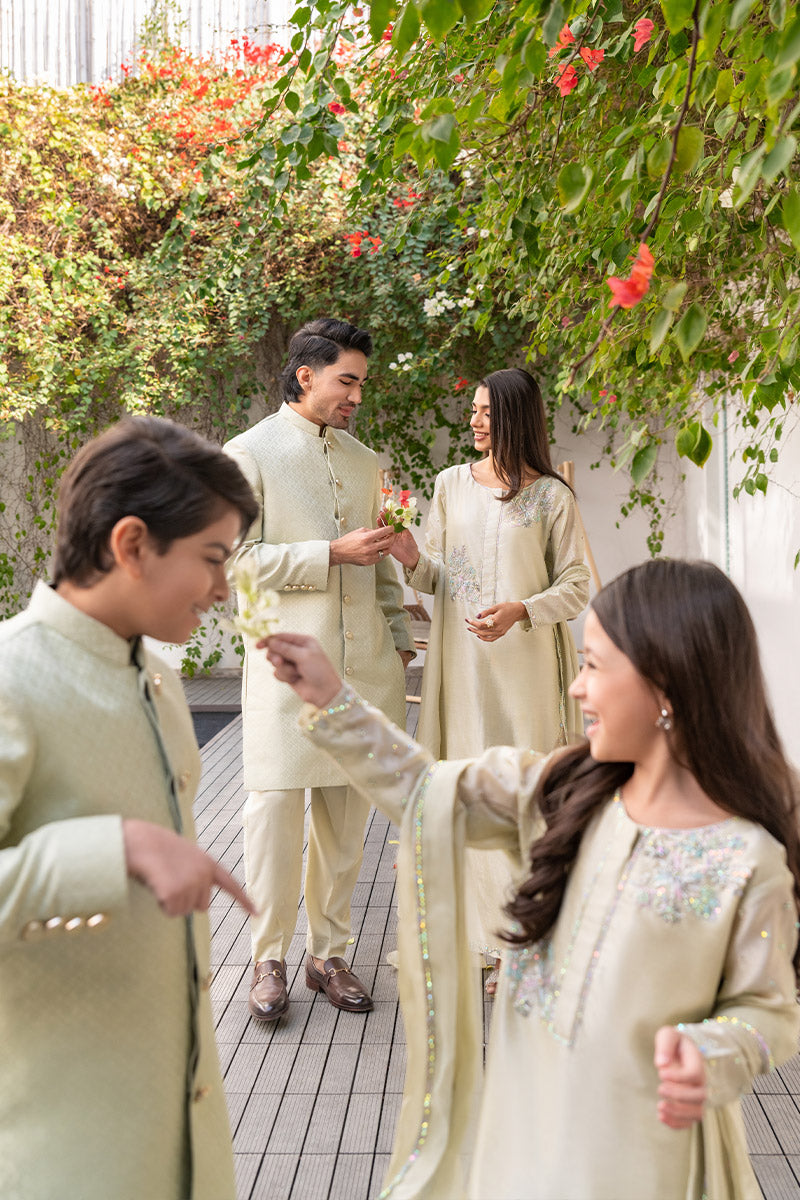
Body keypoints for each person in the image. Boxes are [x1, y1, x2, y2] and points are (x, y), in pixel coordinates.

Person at [264, 559, 800, 1200]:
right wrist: (334, 700)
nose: (576, 689)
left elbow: (768, 1011)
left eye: (594, 666)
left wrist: (716, 1053)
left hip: (645, 1156)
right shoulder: (559, 790)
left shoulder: (745, 859)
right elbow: (424, 791)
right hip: (525, 1130)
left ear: (667, 686)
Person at [0, 416, 260, 1200]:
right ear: (132, 544)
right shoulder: (13, 679)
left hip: (180, 1134)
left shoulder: (155, 674)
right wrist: (112, 848)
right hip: (61, 1147)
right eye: (212, 560)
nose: (222, 590)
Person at [224, 317, 414, 1021]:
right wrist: (329, 554)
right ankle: (266, 957)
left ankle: (328, 954)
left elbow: (385, 562)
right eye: (348, 380)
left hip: (364, 672)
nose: (357, 396)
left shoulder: (367, 463)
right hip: (285, 671)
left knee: (344, 821)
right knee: (273, 812)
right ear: (306, 374)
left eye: (360, 382)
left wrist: (396, 634)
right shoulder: (247, 454)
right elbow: (235, 563)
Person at [390, 367, 590, 988]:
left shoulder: (553, 497)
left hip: (527, 671)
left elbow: (580, 585)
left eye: (485, 412)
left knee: (524, 799)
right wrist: (409, 555)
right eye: (472, 410)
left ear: (514, 418)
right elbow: (437, 577)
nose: (473, 421)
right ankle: (473, 935)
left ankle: (519, 942)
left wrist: (522, 610)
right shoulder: (450, 484)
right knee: (467, 793)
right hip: (463, 672)